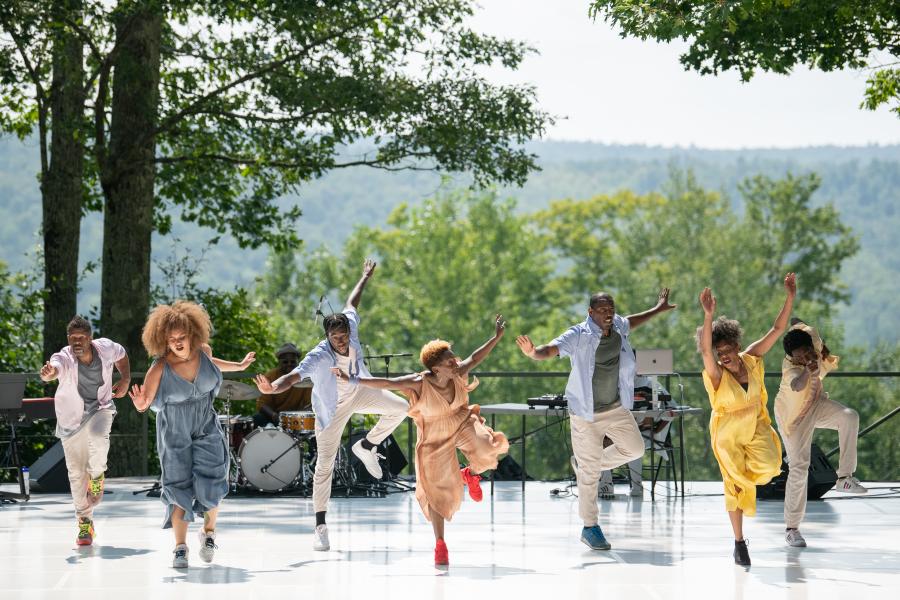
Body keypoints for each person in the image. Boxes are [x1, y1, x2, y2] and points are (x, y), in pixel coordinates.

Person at [254, 259, 408, 552]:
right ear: (327, 337)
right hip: (332, 410)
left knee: (401, 408)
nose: (342, 341)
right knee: (324, 467)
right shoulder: (318, 356)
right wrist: (272, 387)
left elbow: (352, 301)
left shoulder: (351, 329)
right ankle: (321, 525)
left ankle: (367, 446)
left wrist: (364, 276)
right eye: (336, 338)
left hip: (359, 391)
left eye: (344, 336)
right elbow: (293, 376)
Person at [333, 315, 510, 566]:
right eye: (450, 358)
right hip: (433, 437)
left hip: (461, 421)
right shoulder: (418, 383)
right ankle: (440, 544)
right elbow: (387, 382)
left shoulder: (458, 373)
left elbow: (477, 357)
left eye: (454, 355)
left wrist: (496, 337)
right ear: (436, 367)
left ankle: (468, 473)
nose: (455, 360)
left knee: (487, 446)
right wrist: (352, 379)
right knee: (435, 491)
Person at [516, 288, 676, 551]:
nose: (608, 313)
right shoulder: (579, 334)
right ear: (590, 312)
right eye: (602, 310)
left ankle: (587, 466)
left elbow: (631, 321)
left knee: (635, 448)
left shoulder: (618, 327)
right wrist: (534, 353)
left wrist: (657, 309)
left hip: (615, 408)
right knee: (590, 476)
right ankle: (590, 527)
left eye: (611, 309)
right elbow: (552, 348)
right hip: (586, 414)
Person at [128, 301, 256, 568]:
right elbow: (145, 402)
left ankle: (209, 533)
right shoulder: (160, 367)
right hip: (174, 429)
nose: (176, 342)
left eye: (181, 337)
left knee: (213, 480)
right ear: (163, 339)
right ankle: (180, 547)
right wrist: (140, 403)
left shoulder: (203, 352)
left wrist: (240, 366)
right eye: (171, 338)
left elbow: (214, 363)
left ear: (193, 335)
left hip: (205, 424)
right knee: (178, 486)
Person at [696, 273, 794, 567]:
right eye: (719, 352)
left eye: (727, 350)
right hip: (726, 434)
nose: (723, 356)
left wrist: (790, 296)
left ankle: (746, 487)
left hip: (755, 425)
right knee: (734, 486)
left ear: (737, 346)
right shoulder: (716, 376)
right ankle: (739, 542)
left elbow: (777, 329)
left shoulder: (752, 359)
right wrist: (708, 315)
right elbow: (704, 350)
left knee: (772, 466)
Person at [775, 319, 866, 548]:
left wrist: (798, 327)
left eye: (807, 352)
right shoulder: (791, 370)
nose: (805, 357)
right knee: (799, 467)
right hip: (793, 419)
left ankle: (844, 478)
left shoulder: (812, 340)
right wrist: (807, 370)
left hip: (816, 404)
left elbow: (799, 323)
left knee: (849, 416)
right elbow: (796, 385)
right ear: (792, 358)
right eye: (799, 357)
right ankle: (791, 529)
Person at [39, 316, 130, 546]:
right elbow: (54, 367)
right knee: (76, 474)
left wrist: (126, 378)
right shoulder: (65, 356)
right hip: (72, 419)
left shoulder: (106, 348)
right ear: (68, 339)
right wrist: (49, 373)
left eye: (81, 337)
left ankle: (97, 475)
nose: (77, 342)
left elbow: (122, 354)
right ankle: (85, 523)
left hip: (101, 407)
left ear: (90, 338)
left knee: (99, 437)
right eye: (73, 338)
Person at [253, 343, 312, 427]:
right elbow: (262, 404)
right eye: (285, 362)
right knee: (256, 419)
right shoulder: (270, 376)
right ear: (279, 362)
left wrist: (297, 416)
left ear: (298, 362)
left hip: (297, 417)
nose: (289, 364)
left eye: (292, 361)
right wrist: (275, 416)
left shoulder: (305, 378)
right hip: (273, 416)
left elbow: (309, 405)